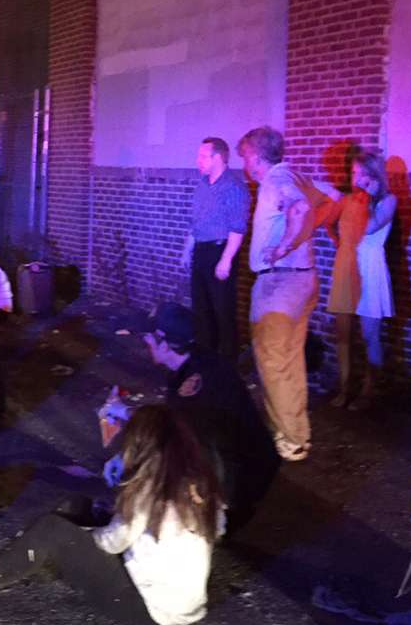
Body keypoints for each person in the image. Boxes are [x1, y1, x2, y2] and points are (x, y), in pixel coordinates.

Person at [0, 405, 223, 625]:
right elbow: (215, 530)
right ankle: (24, 554)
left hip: (145, 608)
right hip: (188, 604)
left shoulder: (149, 491)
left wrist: (76, 537)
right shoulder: (200, 482)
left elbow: (111, 544)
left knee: (52, 530)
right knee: (81, 505)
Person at [138, 302, 279, 530]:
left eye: (150, 337)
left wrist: (214, 503)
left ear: (166, 344)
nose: (145, 341)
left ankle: (224, 515)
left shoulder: (193, 393)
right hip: (252, 460)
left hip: (238, 481)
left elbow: (202, 446)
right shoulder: (198, 361)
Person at [237, 126, 325, 462]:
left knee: (274, 363)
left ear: (255, 156)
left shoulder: (275, 180)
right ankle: (297, 433)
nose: (244, 162)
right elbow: (326, 203)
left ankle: (289, 440)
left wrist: (282, 247)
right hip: (303, 280)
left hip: (280, 285)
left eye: (245, 155)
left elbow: (300, 209)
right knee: (290, 359)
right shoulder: (296, 174)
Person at [323, 150, 396, 410]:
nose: (357, 178)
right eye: (354, 173)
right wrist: (339, 244)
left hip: (370, 267)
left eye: (363, 173)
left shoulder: (388, 201)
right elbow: (329, 223)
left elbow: (369, 227)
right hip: (346, 266)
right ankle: (344, 388)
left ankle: (368, 390)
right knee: (342, 334)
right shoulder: (346, 200)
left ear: (375, 175)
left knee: (369, 335)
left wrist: (366, 197)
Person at [181, 137, 247, 360]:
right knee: (201, 309)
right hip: (202, 250)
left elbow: (237, 228)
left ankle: (228, 364)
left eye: (203, 156)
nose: (198, 161)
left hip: (220, 251)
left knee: (222, 310)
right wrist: (188, 249)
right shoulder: (202, 185)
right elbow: (196, 221)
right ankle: (205, 359)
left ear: (218, 157)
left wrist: (226, 259)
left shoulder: (233, 187)